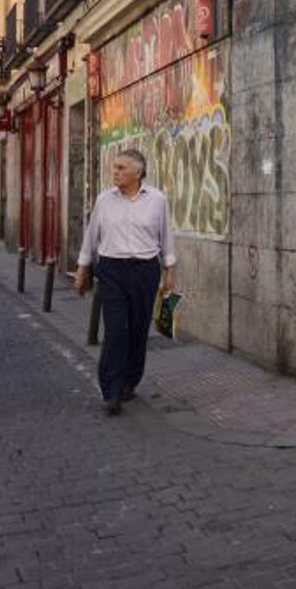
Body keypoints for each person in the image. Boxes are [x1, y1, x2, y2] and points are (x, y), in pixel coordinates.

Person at [75, 149, 177, 416]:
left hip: (145, 270)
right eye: (115, 167)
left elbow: (166, 236)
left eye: (121, 168)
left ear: (138, 172)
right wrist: (82, 267)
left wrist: (170, 270)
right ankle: (112, 390)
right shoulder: (104, 200)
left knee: (138, 330)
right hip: (111, 270)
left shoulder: (157, 200)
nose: (115, 172)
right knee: (115, 331)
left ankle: (130, 380)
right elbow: (91, 235)